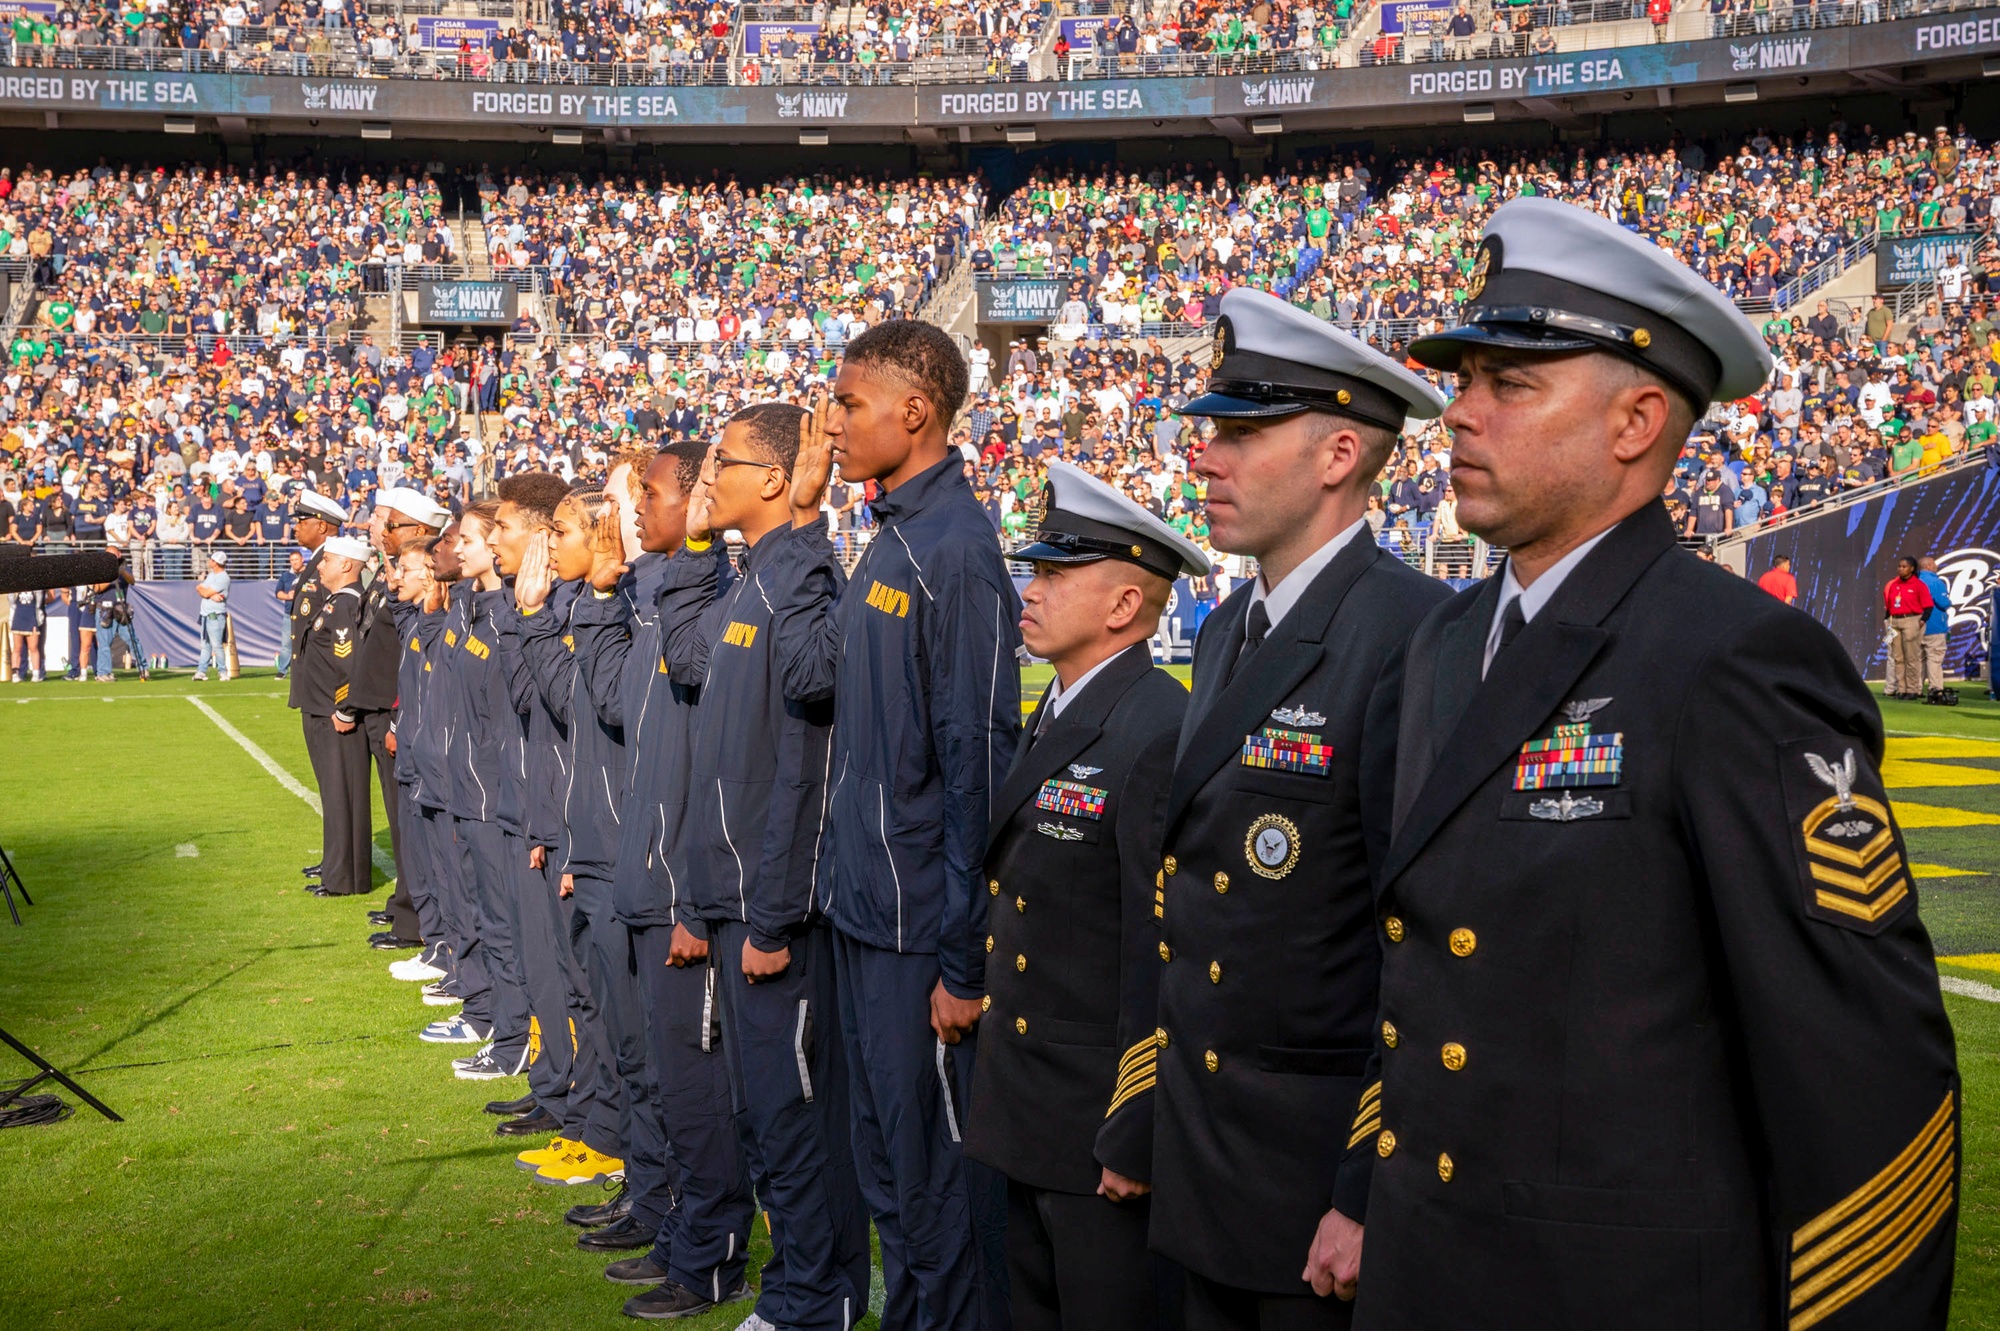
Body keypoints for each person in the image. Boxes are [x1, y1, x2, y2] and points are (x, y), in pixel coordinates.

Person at [1348, 194, 1960, 1330]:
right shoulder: (1439, 645)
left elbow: (1861, 1073)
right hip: (1430, 1266)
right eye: (1462, 379)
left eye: (1507, 384)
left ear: (1635, 421)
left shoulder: (1733, 658)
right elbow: (1421, 972)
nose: (1457, 413)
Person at [1151, 287, 1452, 1331]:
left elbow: (1425, 951)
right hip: (1208, 1151)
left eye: (1240, 432)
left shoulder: (1419, 634)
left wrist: (1367, 1187)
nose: (1206, 458)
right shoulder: (1229, 624)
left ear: (1336, 456)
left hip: (1317, 1171)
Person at [776, 320, 1021, 1331]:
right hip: (860, 918)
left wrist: (962, 959)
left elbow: (979, 766)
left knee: (933, 1194)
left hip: (918, 935)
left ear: (911, 411)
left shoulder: (955, 551)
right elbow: (810, 681)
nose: (829, 422)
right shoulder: (886, 535)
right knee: (886, 1177)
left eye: (845, 401)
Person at [964, 459, 1209, 1331]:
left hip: (1096, 1119)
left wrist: (1133, 1122)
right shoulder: (1066, 708)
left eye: (1055, 576)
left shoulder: (1155, 726)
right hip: (1029, 1102)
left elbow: (1161, 951)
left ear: (1123, 607)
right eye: (1034, 571)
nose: (1029, 591)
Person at [659, 405, 866, 1328]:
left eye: (725, 461)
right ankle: (799, 1290)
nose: (708, 474)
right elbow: (689, 655)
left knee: (795, 1118)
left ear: (778, 480)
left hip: (774, 914)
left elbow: (804, 757)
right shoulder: (749, 580)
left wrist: (774, 915)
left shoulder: (798, 574)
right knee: (764, 1117)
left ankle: (815, 1300)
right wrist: (695, 552)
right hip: (738, 903)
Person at [365, 489, 450, 949]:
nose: (381, 530)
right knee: (414, 837)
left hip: (428, 740)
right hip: (411, 731)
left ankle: (424, 929)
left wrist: (399, 725)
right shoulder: (411, 604)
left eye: (391, 524)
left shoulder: (443, 610)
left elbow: (424, 682)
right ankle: (420, 922)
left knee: (429, 843)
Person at [297, 536, 374, 898]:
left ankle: (344, 878)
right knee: (334, 795)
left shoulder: (346, 604)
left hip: (334, 714)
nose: (320, 566)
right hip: (321, 708)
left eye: (326, 560)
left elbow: (351, 664)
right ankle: (337, 870)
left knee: (342, 796)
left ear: (346, 565)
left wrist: (344, 710)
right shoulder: (335, 602)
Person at [288, 490, 350, 887]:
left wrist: (338, 699)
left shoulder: (332, 565)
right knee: (327, 786)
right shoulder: (315, 564)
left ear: (322, 525)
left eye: (301, 520)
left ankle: (340, 866)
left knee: (336, 784)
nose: (295, 527)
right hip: (313, 691)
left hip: (327, 694)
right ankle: (333, 860)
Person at [1883, 555, 1934, 701]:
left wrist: (1922, 621)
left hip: (1911, 620)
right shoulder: (1894, 584)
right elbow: (1889, 604)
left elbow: (1928, 606)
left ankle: (1912, 689)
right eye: (1899, 566)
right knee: (1898, 658)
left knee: (1912, 657)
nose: (1901, 569)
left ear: (1912, 569)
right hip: (1895, 621)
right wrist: (1888, 620)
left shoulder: (1918, 585)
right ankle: (1901, 689)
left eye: (1904, 566)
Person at [1917, 554, 1954, 699]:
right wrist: (1948, 601)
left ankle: (1915, 689)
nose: (1936, 566)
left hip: (1915, 626)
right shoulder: (1935, 582)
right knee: (1934, 659)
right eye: (1934, 564)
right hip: (1934, 625)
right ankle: (1935, 689)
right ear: (1928, 566)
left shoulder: (1913, 581)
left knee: (1917, 660)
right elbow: (1943, 603)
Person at [193, 549, 231, 681]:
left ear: (216, 563)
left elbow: (204, 592)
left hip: (215, 615)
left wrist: (207, 593)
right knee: (205, 645)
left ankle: (223, 672)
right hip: (205, 614)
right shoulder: (211, 575)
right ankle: (201, 671)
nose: (209, 561)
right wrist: (209, 593)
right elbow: (199, 588)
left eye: (212, 559)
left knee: (216, 645)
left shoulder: (223, 577)